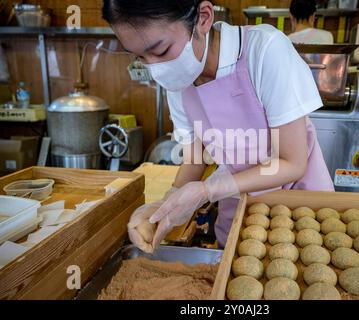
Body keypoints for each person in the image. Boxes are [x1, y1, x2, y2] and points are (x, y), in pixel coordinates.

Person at [103, 0, 334, 253]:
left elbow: (291, 162)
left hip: (298, 203)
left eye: (161, 50)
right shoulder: (179, 81)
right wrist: (164, 207)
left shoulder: (265, 50)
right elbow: (195, 159)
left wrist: (208, 189)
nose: (156, 69)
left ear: (203, 18)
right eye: (140, 57)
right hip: (238, 203)